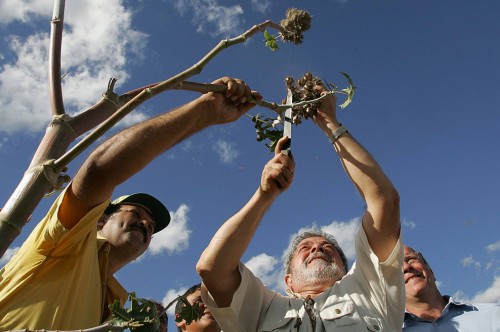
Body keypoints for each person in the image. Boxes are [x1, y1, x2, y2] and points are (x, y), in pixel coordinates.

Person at [0, 77, 258, 331]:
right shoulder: (65, 242)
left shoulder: (119, 307)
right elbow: (99, 170)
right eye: (135, 213)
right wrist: (206, 110)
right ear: (100, 219)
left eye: (152, 225)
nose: (146, 224)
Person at [196, 84, 404, 331]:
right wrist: (264, 195)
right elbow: (212, 268)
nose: (317, 247)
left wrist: (330, 123)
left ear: (345, 271)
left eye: (328, 248)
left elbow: (384, 202)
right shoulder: (262, 308)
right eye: (305, 248)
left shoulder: (368, 290)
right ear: (288, 280)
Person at [403, 245, 500, 331]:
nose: (406, 267)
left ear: (431, 271)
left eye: (411, 259)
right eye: (395, 267)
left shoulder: (494, 315)